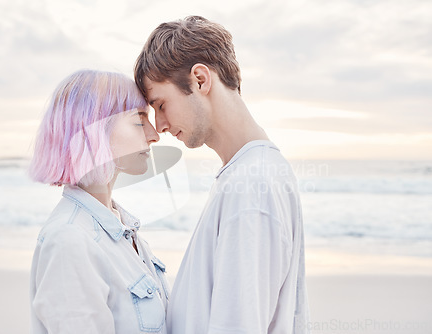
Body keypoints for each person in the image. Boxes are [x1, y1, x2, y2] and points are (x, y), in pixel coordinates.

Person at [134, 16, 309, 334]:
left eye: (160, 104)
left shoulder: (252, 184)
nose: (158, 125)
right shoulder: (246, 175)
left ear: (200, 80)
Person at [28, 70, 169, 334]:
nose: (154, 134)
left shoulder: (121, 227)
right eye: (139, 120)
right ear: (93, 130)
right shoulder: (69, 240)